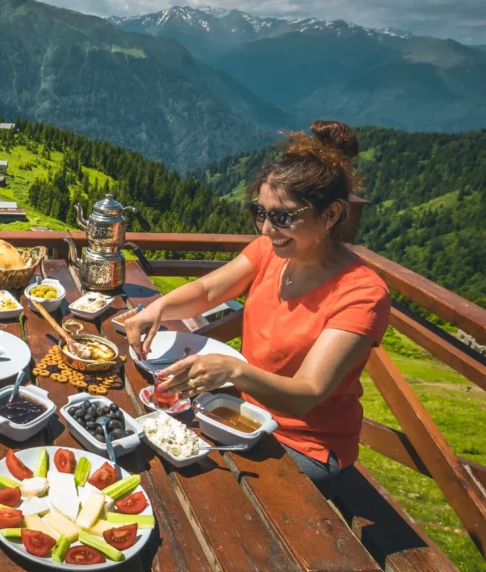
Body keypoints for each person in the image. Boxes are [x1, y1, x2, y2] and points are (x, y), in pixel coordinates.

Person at [126, 121, 390, 499]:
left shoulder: (362, 294)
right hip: (239, 413)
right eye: (260, 212)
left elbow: (308, 394)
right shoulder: (273, 250)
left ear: (330, 215)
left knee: (192, 492)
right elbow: (208, 290)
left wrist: (235, 370)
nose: (267, 229)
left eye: (283, 217)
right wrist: (159, 306)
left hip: (303, 445)